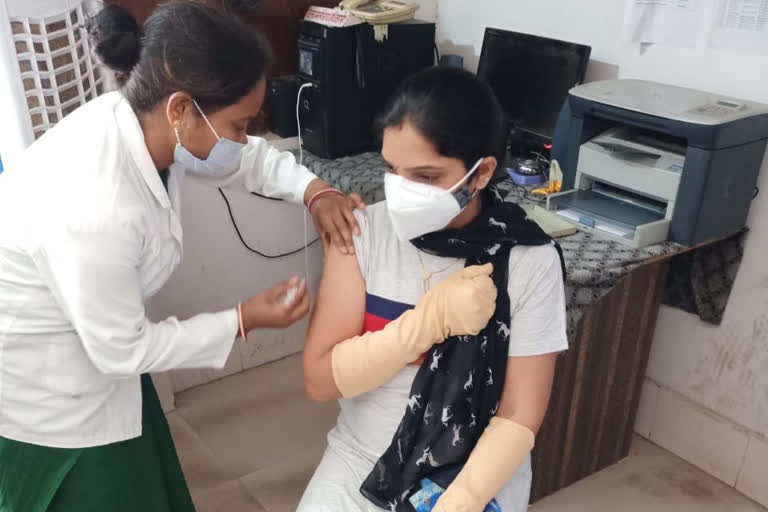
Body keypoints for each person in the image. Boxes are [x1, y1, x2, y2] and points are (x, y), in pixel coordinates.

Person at [0, 3, 363, 511]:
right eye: (239, 125)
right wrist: (243, 319)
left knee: (142, 469)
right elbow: (122, 351)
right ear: (181, 110)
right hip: (48, 386)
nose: (242, 140)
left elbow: (245, 158)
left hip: (100, 346)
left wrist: (315, 190)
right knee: (96, 489)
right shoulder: (97, 206)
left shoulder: (146, 125)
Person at [299, 66, 568, 512]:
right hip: (361, 460)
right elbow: (320, 380)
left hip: (474, 472)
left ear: (481, 174)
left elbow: (519, 416)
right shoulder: (363, 232)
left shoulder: (527, 261)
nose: (402, 193)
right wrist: (424, 325)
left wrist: (461, 501)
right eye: (392, 170)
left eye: (425, 177)